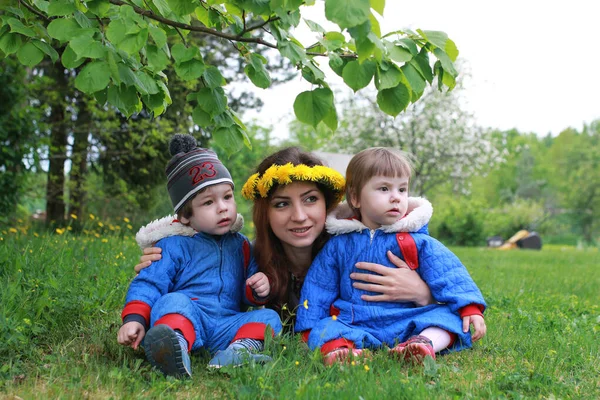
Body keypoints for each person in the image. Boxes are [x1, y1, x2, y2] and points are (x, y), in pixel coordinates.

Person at [134, 147, 436, 328]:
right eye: (282, 204)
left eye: (310, 200)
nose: (299, 216)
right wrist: (165, 258)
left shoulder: (364, 247)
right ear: (265, 211)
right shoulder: (247, 260)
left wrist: (423, 293)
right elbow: (199, 280)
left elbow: (446, 284)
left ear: (328, 204)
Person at [295, 147, 487, 365]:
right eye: (384, 188)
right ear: (356, 198)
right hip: (354, 319)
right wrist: (309, 326)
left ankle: (421, 343)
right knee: (326, 328)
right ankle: (342, 352)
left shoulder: (415, 241)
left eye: (402, 189)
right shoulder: (339, 244)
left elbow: (448, 271)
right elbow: (319, 285)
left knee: (446, 319)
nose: (396, 197)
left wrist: (469, 307)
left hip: (406, 319)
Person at [117, 134, 282, 378]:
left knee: (269, 317)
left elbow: (250, 293)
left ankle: (238, 351)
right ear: (185, 216)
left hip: (227, 323)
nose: (223, 207)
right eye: (208, 202)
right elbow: (149, 283)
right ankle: (175, 347)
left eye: (227, 197)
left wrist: (259, 287)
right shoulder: (173, 246)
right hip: (191, 316)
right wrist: (134, 319)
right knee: (172, 302)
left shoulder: (242, 245)